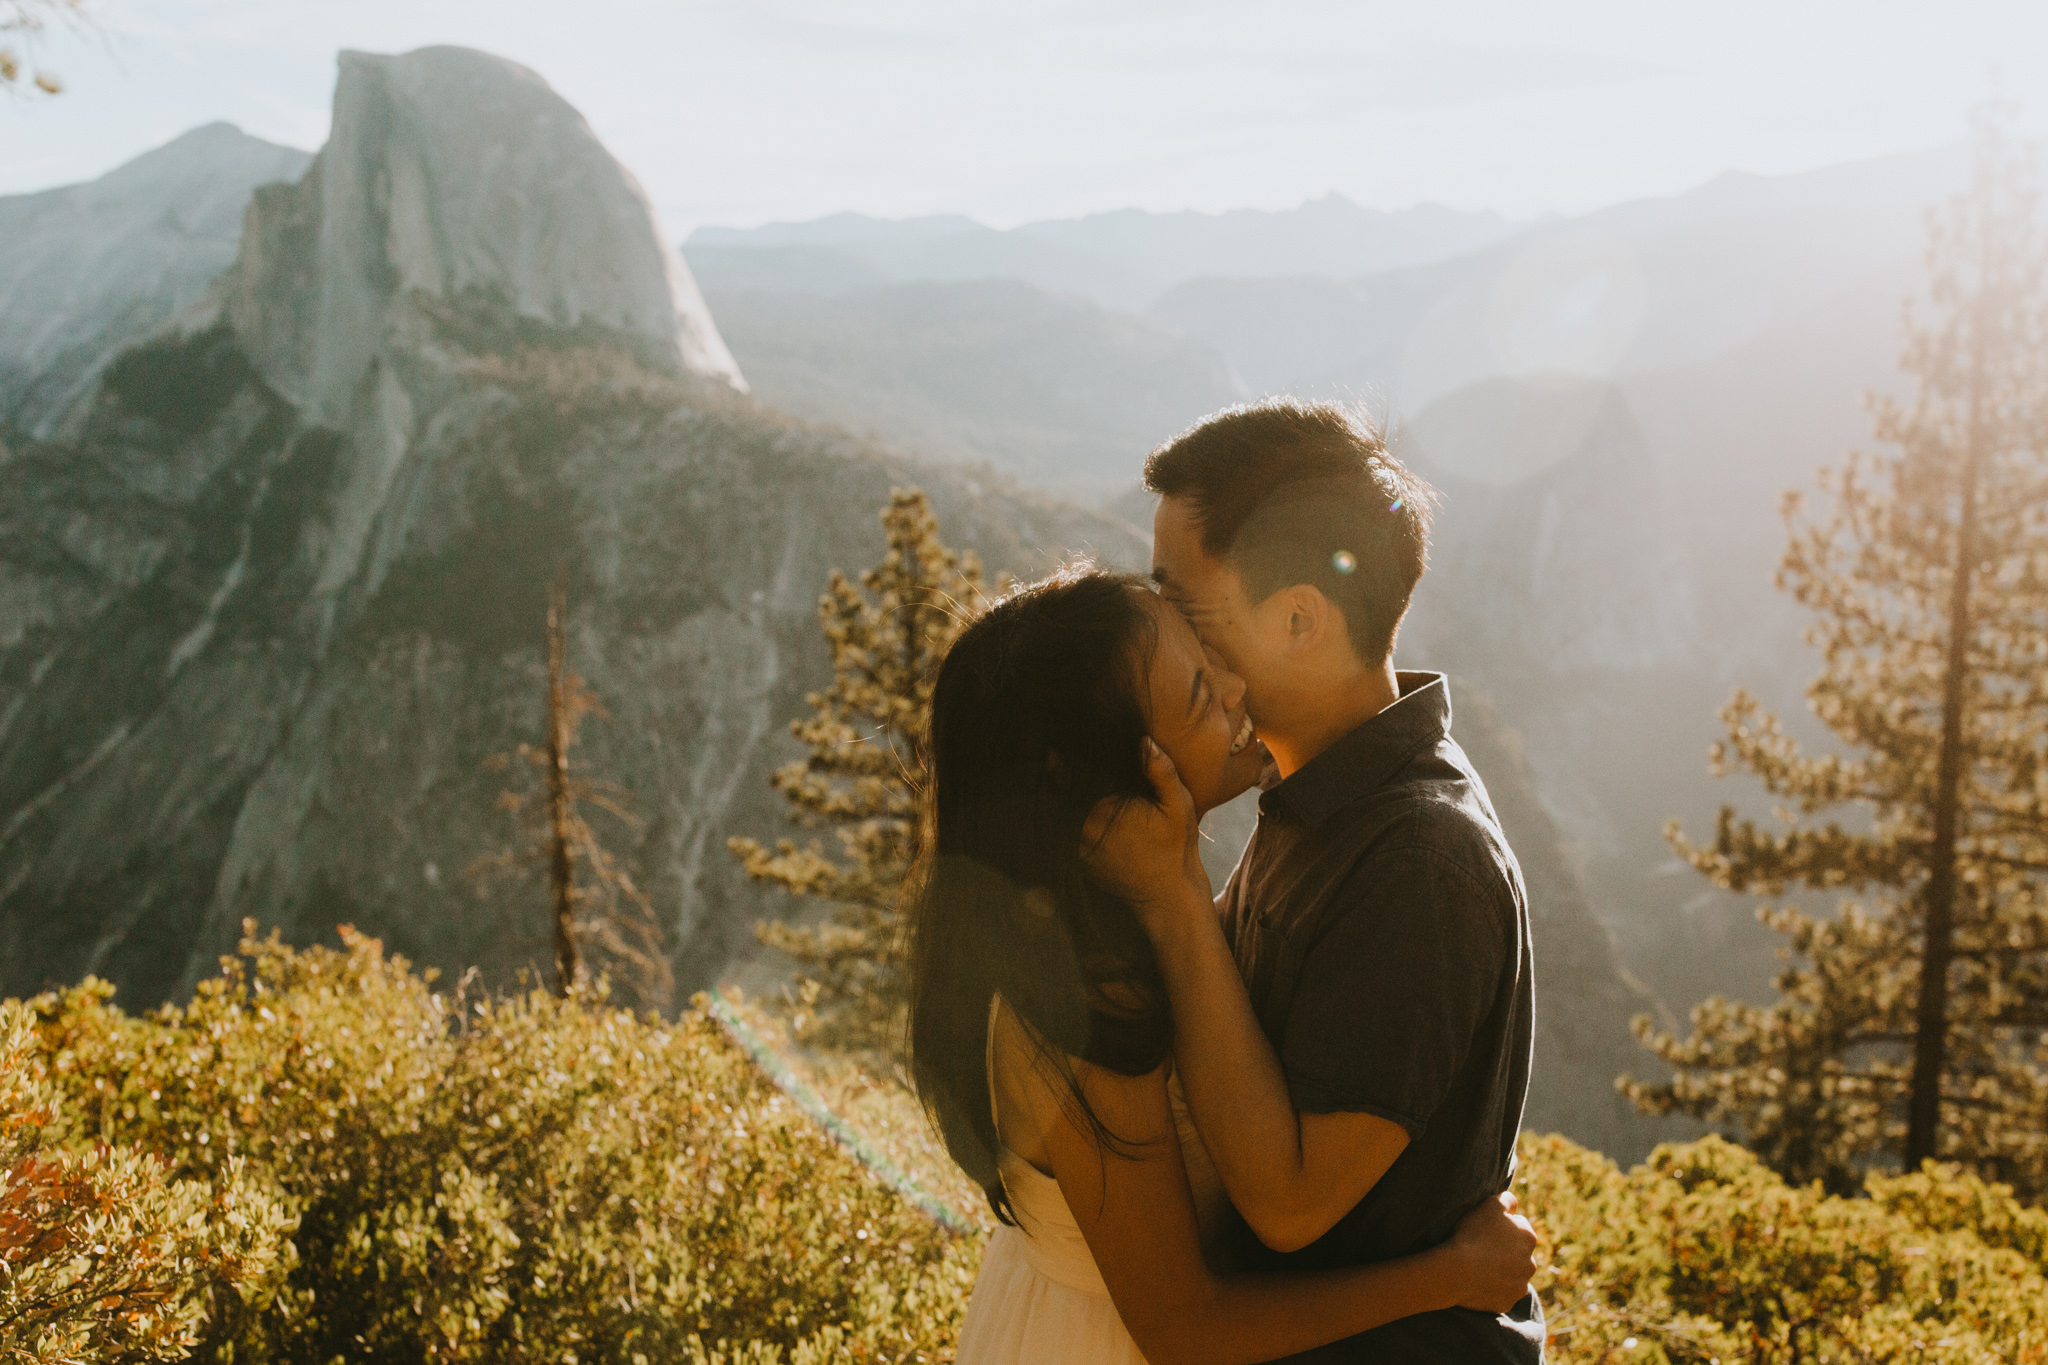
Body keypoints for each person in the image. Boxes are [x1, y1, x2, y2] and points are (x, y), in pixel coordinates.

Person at [907, 565, 1538, 1365]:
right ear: (1114, 778)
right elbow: (1184, 1329)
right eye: (1203, 694)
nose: (1240, 689)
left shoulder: (1098, 916)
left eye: (1212, 657)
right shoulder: (1096, 991)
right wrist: (1452, 1274)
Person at [1087, 397, 1544, 1362]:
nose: (1160, 625)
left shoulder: (1418, 862)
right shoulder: (1312, 790)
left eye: (1182, 601)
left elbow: (1292, 1203)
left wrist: (1172, 896)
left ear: (1299, 616)